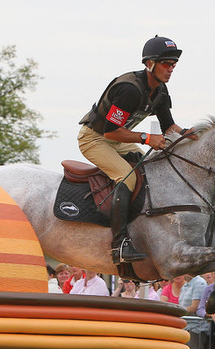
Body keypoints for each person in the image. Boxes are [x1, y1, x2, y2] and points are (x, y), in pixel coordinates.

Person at [78, 36, 197, 264]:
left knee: (150, 172)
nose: (171, 69)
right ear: (149, 63)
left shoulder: (160, 91)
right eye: (166, 64)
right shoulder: (129, 90)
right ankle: (119, 245)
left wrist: (188, 135)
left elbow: (169, 127)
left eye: (173, 65)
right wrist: (146, 138)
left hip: (116, 139)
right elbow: (110, 133)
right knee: (128, 178)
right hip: (94, 139)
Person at [178, 274, 209, 349]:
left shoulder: (199, 283)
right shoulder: (185, 285)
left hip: (195, 329)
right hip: (185, 327)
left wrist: (177, 311)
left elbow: (194, 307)